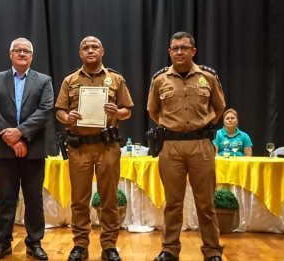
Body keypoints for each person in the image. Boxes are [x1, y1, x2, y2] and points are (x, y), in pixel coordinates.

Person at [147, 31, 226, 261]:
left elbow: (219, 107)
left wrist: (204, 125)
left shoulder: (208, 76)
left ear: (193, 51)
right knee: (173, 203)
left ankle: (212, 251)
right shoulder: (160, 78)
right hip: (170, 146)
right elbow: (152, 110)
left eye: (184, 48)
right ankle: (169, 249)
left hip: (201, 144)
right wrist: (170, 125)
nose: (179, 52)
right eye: (175, 48)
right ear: (169, 52)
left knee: (206, 204)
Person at [55, 36, 133, 261]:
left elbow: (128, 109)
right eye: (85, 48)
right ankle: (80, 244)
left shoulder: (116, 79)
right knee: (79, 200)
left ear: (102, 51)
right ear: (80, 53)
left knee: (109, 199)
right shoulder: (70, 80)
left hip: (107, 146)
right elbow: (59, 110)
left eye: (94, 47)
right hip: (79, 147)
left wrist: (118, 113)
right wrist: (67, 117)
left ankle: (109, 246)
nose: (90, 50)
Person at [0, 38, 54, 260]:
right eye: (18, 50)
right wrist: (12, 138)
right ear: (10, 54)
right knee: (6, 198)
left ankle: (34, 243)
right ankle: (3, 243)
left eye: (27, 51)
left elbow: (45, 110)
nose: (22, 53)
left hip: (34, 149)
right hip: (5, 148)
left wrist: (21, 132)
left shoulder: (44, 81)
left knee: (34, 199)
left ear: (32, 56)